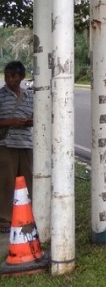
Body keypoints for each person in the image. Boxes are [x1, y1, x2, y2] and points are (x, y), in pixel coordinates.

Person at [0, 61, 34, 232]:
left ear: (20, 77)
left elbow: (37, 115)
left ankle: (28, 216)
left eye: (13, 76)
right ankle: (5, 220)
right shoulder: (1, 96)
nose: (9, 80)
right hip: (7, 145)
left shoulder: (29, 96)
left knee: (29, 183)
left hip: (26, 144)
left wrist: (29, 122)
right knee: (6, 183)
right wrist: (11, 122)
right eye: (7, 76)